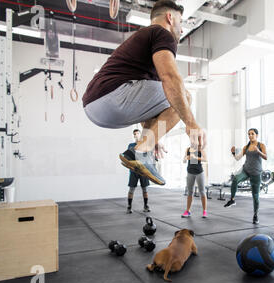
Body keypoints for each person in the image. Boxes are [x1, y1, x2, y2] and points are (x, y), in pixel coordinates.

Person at [82, 0, 206, 186]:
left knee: (170, 98)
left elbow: (150, 107)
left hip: (95, 109)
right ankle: (141, 152)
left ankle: (140, 152)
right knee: (184, 97)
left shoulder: (144, 41)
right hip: (113, 96)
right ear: (170, 18)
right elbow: (171, 79)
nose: (182, 30)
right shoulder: (161, 33)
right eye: (181, 22)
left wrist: (153, 136)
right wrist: (191, 124)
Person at [224, 129, 267, 224]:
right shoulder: (246, 146)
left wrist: (258, 151)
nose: (250, 136)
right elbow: (238, 158)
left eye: (252, 134)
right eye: (249, 134)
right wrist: (233, 153)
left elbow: (266, 157)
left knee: (255, 196)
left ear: (257, 135)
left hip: (256, 172)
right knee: (235, 179)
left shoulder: (261, 145)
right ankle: (232, 200)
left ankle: (255, 215)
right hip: (246, 170)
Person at [126, 129, 150, 214]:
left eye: (137, 133)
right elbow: (127, 157)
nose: (136, 135)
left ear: (140, 135)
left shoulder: (144, 145)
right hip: (133, 171)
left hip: (143, 171)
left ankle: (146, 206)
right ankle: (129, 207)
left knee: (145, 189)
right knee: (131, 189)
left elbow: (147, 157)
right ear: (134, 136)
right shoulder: (131, 145)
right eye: (134, 134)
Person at [182, 145, 208, 218]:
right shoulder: (188, 149)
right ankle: (188, 211)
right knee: (190, 192)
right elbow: (184, 161)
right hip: (190, 172)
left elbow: (205, 159)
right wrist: (186, 158)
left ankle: (204, 211)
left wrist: (195, 158)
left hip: (199, 172)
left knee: (202, 191)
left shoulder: (201, 149)